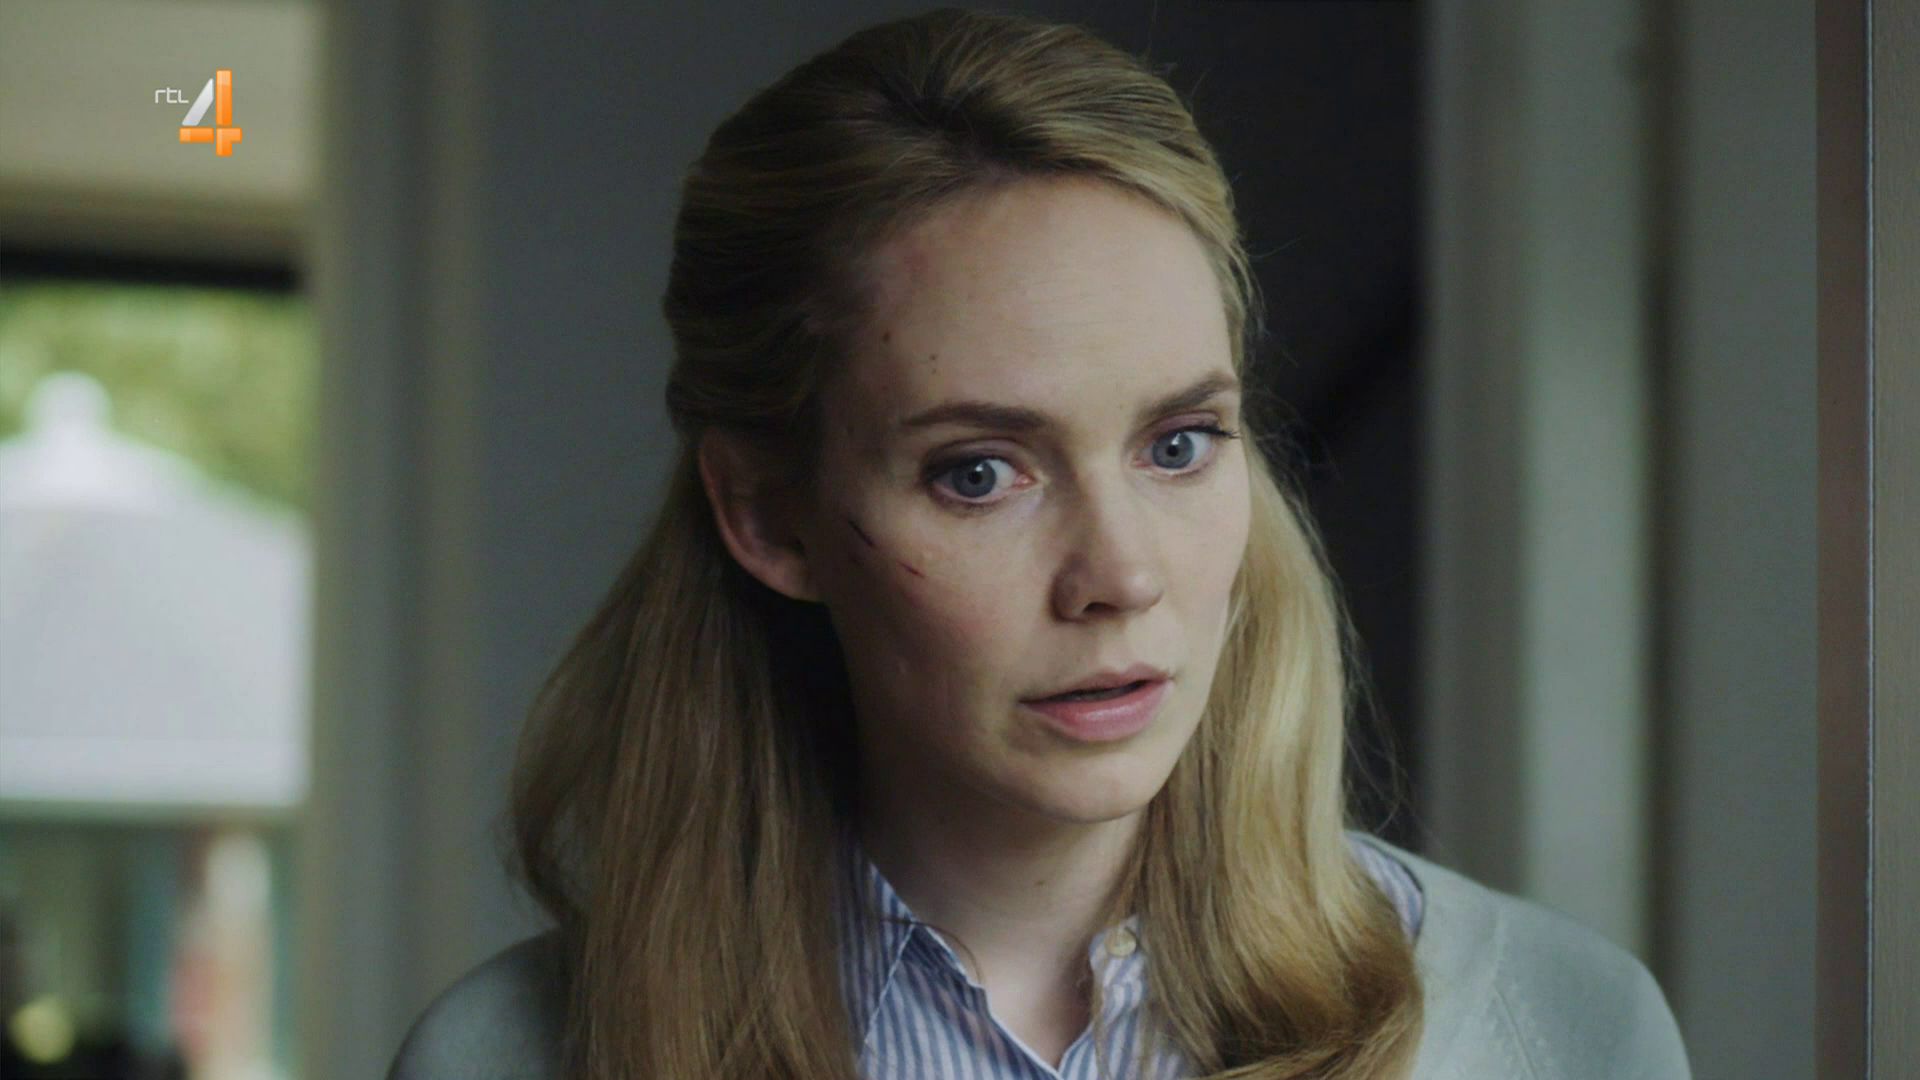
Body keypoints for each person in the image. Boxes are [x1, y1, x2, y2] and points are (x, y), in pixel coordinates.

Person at [384, 8, 1691, 1079]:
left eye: (1179, 444)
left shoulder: (1560, 1032)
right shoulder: (505, 1059)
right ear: (770, 516)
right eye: (980, 474)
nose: (1122, 576)